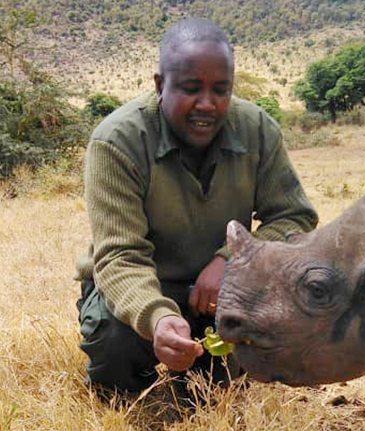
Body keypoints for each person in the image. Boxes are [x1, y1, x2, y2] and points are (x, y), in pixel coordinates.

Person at [74, 17, 318, 394]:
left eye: (221, 90)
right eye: (191, 89)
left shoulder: (258, 129)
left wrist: (232, 259)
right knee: (115, 347)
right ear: (160, 85)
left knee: (220, 383)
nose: (207, 104)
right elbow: (120, 257)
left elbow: (294, 216)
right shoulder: (116, 141)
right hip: (143, 284)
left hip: (221, 291)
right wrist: (158, 318)